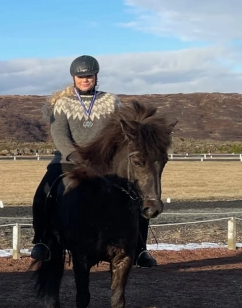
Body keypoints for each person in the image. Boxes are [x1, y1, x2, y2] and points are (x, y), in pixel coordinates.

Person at [30, 54, 156, 267]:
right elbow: (60, 135)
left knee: (136, 193)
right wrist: (75, 155)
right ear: (74, 78)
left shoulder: (111, 101)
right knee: (45, 190)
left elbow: (119, 131)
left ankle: (140, 247)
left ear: (96, 76)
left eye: (89, 76)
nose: (85, 80)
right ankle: (42, 240)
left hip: (105, 161)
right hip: (70, 159)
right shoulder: (61, 103)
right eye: (81, 77)